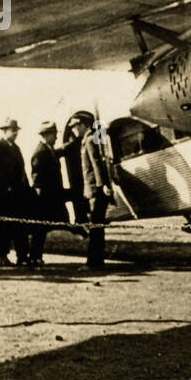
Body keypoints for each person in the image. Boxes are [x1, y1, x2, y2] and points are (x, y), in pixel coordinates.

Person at [0, 119, 32, 267]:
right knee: (1, 227)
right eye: (13, 130)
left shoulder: (16, 148)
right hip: (2, 196)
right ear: (5, 131)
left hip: (17, 195)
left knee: (19, 226)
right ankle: (2, 256)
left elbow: (22, 170)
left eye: (16, 130)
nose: (15, 133)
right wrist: (5, 184)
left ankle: (22, 256)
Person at [70, 110, 112, 269]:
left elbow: (96, 163)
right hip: (94, 190)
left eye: (75, 126)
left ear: (83, 125)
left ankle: (93, 263)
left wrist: (102, 185)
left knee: (95, 228)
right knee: (97, 228)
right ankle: (97, 261)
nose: (74, 129)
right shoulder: (87, 140)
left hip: (95, 191)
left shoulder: (89, 140)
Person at [27, 121, 68, 268]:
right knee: (40, 229)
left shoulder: (48, 149)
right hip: (43, 198)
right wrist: (41, 195)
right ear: (47, 135)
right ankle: (34, 257)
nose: (56, 137)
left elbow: (59, 152)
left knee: (42, 229)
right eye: (55, 134)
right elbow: (36, 176)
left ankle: (36, 256)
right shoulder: (41, 152)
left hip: (49, 196)